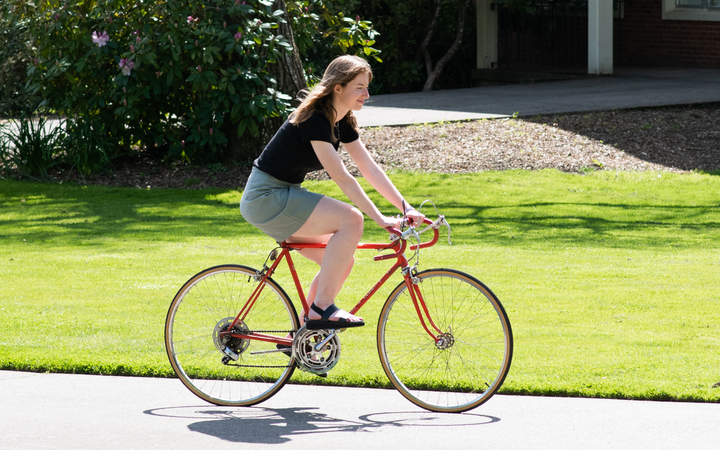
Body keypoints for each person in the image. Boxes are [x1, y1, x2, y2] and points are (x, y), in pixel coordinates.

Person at [240, 55, 425, 328]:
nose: (367, 93)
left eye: (367, 86)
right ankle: (322, 308)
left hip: (282, 194)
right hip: (266, 196)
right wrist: (381, 219)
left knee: (341, 261)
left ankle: (303, 336)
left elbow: (369, 168)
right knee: (352, 219)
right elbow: (341, 176)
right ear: (338, 87)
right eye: (359, 87)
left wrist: (405, 207)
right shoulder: (315, 118)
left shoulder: (342, 121)